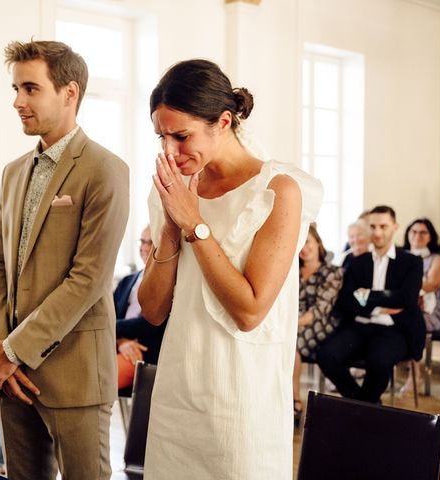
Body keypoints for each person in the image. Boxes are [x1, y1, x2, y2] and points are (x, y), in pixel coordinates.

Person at [137, 59, 322, 480]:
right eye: (161, 136)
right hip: (179, 395)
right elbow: (152, 309)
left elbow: (250, 311)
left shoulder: (277, 192)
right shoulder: (171, 186)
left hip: (241, 401)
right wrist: (169, 227)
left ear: (223, 121)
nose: (169, 151)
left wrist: (194, 225)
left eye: (181, 136)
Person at [0, 40, 129, 480]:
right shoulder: (12, 172)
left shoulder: (105, 169)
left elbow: (89, 279)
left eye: (30, 88)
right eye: (15, 88)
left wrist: (14, 349)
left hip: (75, 372)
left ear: (69, 93)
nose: (17, 101)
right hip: (11, 374)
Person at [317, 205, 425, 403]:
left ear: (395, 227)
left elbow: (406, 299)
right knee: (326, 356)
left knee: (379, 362)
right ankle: (365, 405)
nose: (377, 232)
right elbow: (346, 301)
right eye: (373, 226)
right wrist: (381, 304)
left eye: (383, 226)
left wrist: (367, 297)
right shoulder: (358, 261)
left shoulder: (411, 262)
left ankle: (362, 408)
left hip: (395, 328)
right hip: (359, 326)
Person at [293, 224, 342, 426]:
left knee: (290, 345)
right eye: (300, 244)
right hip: (292, 322)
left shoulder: (332, 272)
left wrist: (290, 326)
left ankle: (294, 400)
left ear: (318, 243)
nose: (304, 248)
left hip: (320, 323)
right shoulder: (291, 270)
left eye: (308, 242)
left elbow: (320, 310)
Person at [115, 226, 166, 389]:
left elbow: (151, 324)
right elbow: (107, 315)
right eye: (142, 242)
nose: (144, 248)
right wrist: (120, 340)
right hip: (116, 346)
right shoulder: (127, 281)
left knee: (94, 380)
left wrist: (109, 328)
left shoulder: (170, 284)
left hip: (144, 355)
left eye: (150, 243)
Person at [400, 217, 440, 393]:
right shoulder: (401, 256)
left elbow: (431, 284)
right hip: (405, 306)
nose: (417, 235)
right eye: (414, 231)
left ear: (430, 236)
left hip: (429, 312)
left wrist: (405, 281)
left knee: (408, 322)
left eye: (423, 232)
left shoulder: (437, 259)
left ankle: (415, 375)